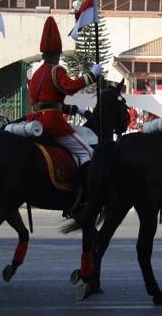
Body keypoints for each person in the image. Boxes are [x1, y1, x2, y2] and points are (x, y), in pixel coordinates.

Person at [27, 16, 101, 214]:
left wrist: (73, 110)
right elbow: (68, 87)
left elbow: (48, 100)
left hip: (36, 119)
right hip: (52, 123)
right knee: (87, 153)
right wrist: (92, 76)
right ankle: (82, 198)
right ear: (57, 53)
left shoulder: (36, 73)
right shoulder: (56, 70)